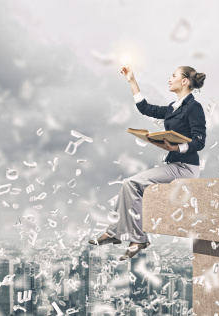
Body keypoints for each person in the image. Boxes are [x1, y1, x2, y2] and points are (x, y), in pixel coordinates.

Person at [88, 65, 207, 261]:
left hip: (186, 168)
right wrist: (132, 81)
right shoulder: (172, 108)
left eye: (173, 76)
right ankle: (114, 233)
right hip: (173, 166)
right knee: (128, 185)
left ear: (184, 81)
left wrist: (177, 148)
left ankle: (139, 239)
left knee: (132, 183)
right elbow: (145, 108)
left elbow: (199, 141)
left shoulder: (194, 107)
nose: (170, 79)